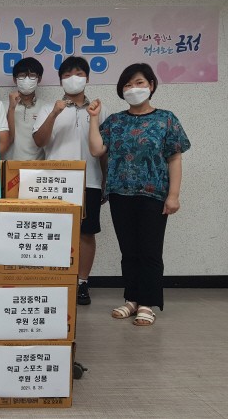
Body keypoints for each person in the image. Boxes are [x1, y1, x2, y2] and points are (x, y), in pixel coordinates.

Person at [87, 63, 190, 326]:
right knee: (129, 250)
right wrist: (93, 118)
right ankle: (131, 299)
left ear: (151, 85)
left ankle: (147, 303)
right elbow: (97, 150)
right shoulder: (115, 121)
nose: (134, 88)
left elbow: (175, 158)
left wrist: (174, 195)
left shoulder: (166, 119)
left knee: (150, 250)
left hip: (154, 194)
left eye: (139, 83)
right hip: (120, 193)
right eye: (128, 84)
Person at [33, 56, 108, 305]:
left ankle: (82, 283)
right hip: (54, 183)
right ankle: (55, 280)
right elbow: (39, 142)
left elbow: (104, 150)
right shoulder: (49, 108)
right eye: (67, 75)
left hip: (90, 180)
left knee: (86, 233)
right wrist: (56, 113)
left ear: (87, 78)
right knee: (53, 231)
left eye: (78, 74)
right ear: (60, 81)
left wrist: (106, 180)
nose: (73, 79)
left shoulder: (99, 109)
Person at [6, 57, 45, 160]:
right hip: (9, 166)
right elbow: (5, 139)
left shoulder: (46, 108)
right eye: (22, 75)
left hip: (37, 166)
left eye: (32, 75)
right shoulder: (3, 106)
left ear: (39, 79)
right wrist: (11, 108)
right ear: (14, 79)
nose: (27, 79)